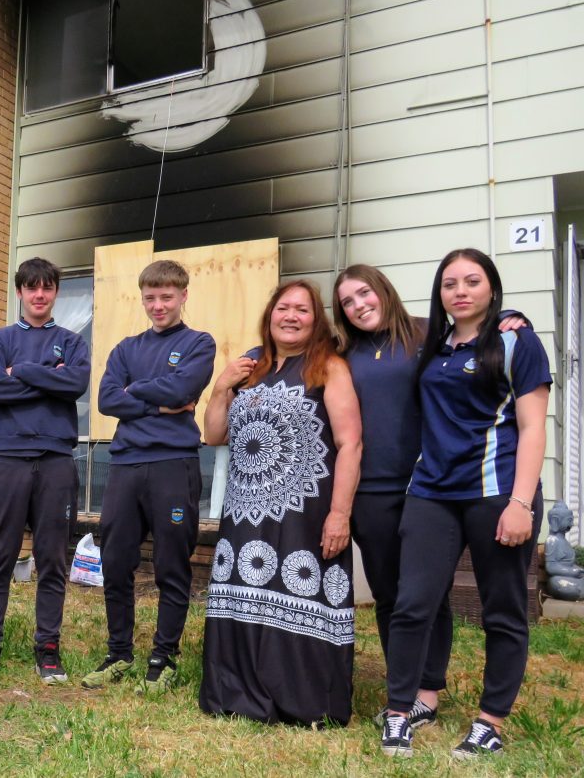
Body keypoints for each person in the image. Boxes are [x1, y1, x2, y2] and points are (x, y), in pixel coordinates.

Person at [334, 264, 527, 729]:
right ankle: (402, 685)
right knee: (389, 594)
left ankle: (427, 691)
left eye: (365, 293)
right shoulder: (341, 352)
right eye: (347, 302)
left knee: (429, 593)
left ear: (384, 291)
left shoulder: (428, 335)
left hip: (428, 486)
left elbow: (483, 335)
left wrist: (515, 316)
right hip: (372, 492)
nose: (360, 305)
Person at [381, 248, 550, 759]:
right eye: (449, 283)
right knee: (413, 605)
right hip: (431, 491)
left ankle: (489, 722)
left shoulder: (516, 339)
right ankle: (400, 712)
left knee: (501, 611)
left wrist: (521, 502)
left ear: (491, 288)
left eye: (471, 281)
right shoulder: (434, 344)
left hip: (496, 492)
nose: (460, 291)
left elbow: (535, 426)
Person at [199, 280, 362, 726]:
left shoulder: (328, 367)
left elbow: (350, 444)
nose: (291, 316)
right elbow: (215, 435)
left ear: (317, 320)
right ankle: (236, 693)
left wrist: (339, 513)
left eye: (302, 310)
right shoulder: (250, 365)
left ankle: (301, 701)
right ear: (269, 315)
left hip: (305, 509)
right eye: (283, 308)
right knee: (245, 593)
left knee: (297, 588)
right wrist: (221, 387)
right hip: (247, 504)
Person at [82, 259, 215, 693]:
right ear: (142, 298)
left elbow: (182, 390)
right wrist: (157, 403)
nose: (158, 306)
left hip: (173, 465)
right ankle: (118, 653)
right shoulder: (125, 348)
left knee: (171, 563)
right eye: (151, 298)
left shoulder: (199, 343)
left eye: (167, 297)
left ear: (183, 296)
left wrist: (134, 393)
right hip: (124, 464)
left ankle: (164, 657)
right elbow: (105, 400)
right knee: (116, 562)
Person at [0, 257, 90, 685]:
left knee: (52, 559)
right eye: (31, 287)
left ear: (55, 293)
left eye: (47, 287)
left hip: (55, 460)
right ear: (20, 292)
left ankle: (48, 648)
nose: (39, 294)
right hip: (8, 459)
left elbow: (75, 385)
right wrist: (47, 377)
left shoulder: (71, 343)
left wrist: (26, 373)